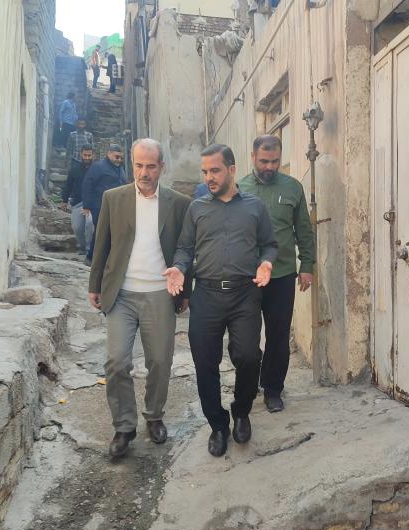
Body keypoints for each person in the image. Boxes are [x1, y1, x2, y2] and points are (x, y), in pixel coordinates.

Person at [164, 144, 278, 457]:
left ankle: (241, 412)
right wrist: (179, 267)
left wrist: (266, 262)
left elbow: (269, 244)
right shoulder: (197, 209)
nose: (209, 177)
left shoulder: (255, 207)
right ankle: (217, 425)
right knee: (204, 363)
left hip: (244, 294)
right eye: (205, 172)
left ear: (231, 169)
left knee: (248, 356)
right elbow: (185, 248)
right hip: (207, 294)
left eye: (214, 170)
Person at [88, 139, 193, 458]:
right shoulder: (113, 198)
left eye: (150, 166)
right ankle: (124, 426)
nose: (144, 173)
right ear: (131, 165)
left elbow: (185, 250)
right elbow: (101, 244)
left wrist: (185, 291)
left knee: (159, 361)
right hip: (121, 293)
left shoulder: (179, 203)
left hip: (160, 293)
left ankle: (154, 415)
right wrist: (95, 285)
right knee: (117, 361)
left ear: (162, 167)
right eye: (138, 165)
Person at [238, 135, 315, 412]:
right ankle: (250, 382)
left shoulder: (293, 188)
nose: (269, 167)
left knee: (278, 335)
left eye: (275, 161)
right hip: (247, 277)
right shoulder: (239, 189)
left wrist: (307, 266)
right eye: (264, 161)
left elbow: (303, 229)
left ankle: (273, 389)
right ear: (253, 157)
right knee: (246, 338)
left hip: (282, 274)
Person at [82, 144, 127, 264]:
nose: (119, 160)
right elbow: (87, 185)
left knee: (113, 233)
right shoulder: (98, 167)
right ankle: (91, 257)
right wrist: (86, 206)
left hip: (116, 207)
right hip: (99, 206)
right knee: (101, 231)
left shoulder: (120, 169)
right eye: (116, 157)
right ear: (109, 154)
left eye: (121, 158)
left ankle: (106, 258)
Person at [62, 146, 95, 255]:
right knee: (77, 227)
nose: (87, 157)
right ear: (81, 154)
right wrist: (64, 200)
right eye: (85, 155)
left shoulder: (97, 169)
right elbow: (68, 185)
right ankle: (83, 246)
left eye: (89, 155)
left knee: (90, 224)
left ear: (93, 155)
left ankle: (89, 249)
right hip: (77, 202)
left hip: (92, 203)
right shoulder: (74, 170)